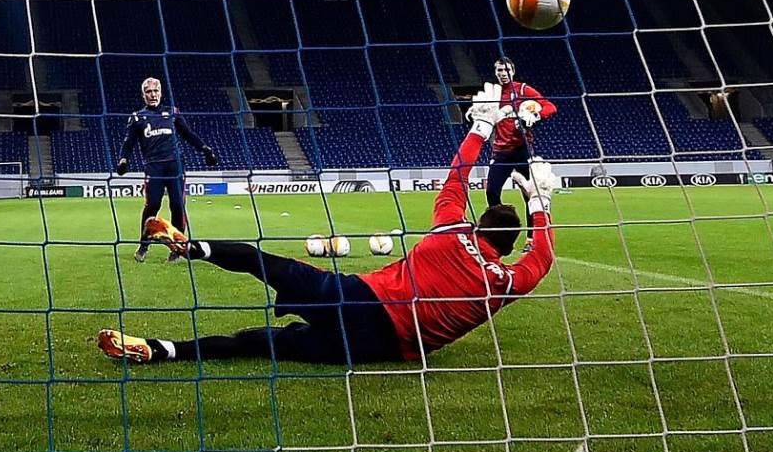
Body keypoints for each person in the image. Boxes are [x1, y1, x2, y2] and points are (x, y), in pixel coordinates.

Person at [98, 101, 555, 366]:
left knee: (265, 263)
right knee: (259, 343)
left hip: (357, 296)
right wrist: (541, 204)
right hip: (378, 347)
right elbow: (543, 259)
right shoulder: (505, 283)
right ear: (509, 249)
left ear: (477, 225)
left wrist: (479, 129)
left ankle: (193, 245)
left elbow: (456, 177)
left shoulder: (451, 233)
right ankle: (161, 350)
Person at [115, 76, 218, 261]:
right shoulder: (137, 117)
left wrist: (205, 149)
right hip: (153, 166)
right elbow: (128, 143)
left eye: (155, 91)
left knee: (177, 206)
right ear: (143, 95)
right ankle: (143, 245)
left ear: (161, 93)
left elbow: (188, 134)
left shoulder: (172, 112)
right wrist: (123, 160)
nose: (152, 95)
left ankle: (177, 249)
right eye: (148, 92)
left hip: (175, 165)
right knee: (152, 205)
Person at [480, 57, 556, 207]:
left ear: (513, 72)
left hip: (523, 151)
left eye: (507, 70)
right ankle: (501, 228)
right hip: (501, 152)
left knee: (531, 195)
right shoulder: (493, 95)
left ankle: (532, 230)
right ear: (495, 73)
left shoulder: (523, 90)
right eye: (500, 70)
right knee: (491, 192)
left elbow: (550, 106)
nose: (503, 73)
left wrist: (536, 115)